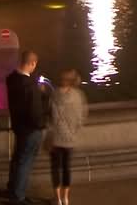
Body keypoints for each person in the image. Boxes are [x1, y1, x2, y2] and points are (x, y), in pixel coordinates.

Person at [6, 50, 47, 205]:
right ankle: (18, 197)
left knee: (17, 159)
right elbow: (35, 112)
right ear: (32, 63)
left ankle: (12, 189)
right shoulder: (31, 86)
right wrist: (41, 125)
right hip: (31, 129)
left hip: (18, 125)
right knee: (25, 162)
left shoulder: (11, 79)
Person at [47, 69, 89, 205]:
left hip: (56, 138)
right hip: (71, 139)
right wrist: (74, 131)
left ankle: (57, 198)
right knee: (66, 168)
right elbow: (82, 116)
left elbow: (51, 116)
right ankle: (66, 198)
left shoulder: (54, 94)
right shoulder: (79, 95)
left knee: (55, 168)